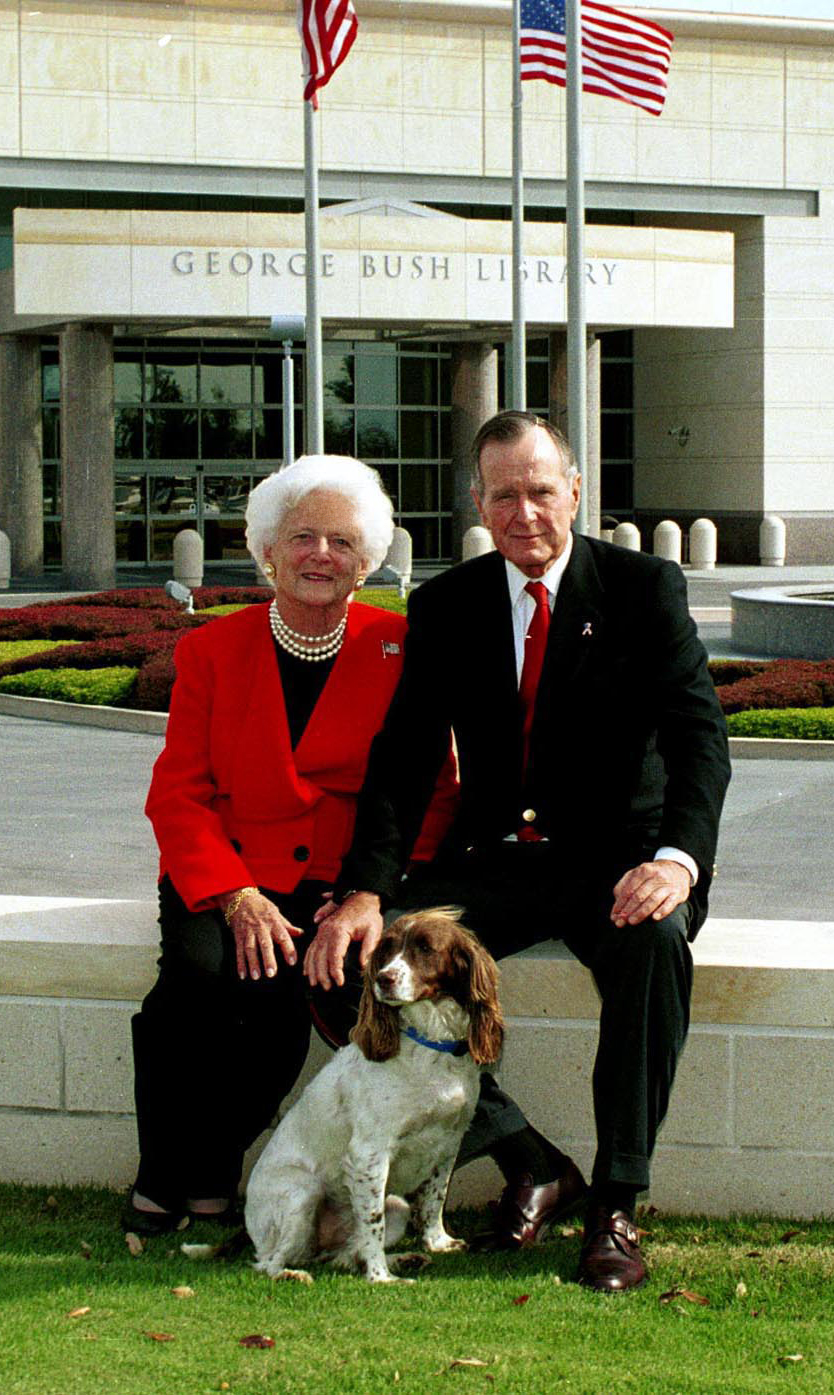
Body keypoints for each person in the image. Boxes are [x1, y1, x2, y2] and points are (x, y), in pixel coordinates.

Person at [305, 410, 731, 1292]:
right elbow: (404, 760)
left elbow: (700, 739)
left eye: (543, 490)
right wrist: (364, 890)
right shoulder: (447, 604)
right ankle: (530, 1156)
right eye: (506, 494)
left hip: (619, 863)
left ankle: (615, 1203)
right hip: (494, 862)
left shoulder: (644, 588)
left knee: (656, 947)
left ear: (575, 490)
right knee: (350, 959)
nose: (526, 512)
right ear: (479, 502)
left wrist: (677, 861)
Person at [125, 454, 456, 1235]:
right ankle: (168, 1174)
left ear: (367, 560)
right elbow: (178, 792)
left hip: (340, 885)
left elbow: (434, 793)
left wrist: (372, 888)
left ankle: (204, 1177)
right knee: (194, 986)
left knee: (275, 1008)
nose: (321, 556)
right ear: (266, 550)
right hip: (228, 871)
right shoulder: (211, 651)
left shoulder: (400, 646)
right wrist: (235, 894)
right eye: (302, 537)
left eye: (342, 542)